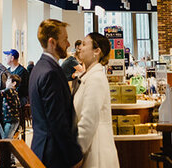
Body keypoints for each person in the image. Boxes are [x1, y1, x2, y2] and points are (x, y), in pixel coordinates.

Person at [29, 19, 83, 168]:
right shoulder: (51, 72)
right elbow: (57, 122)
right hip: (53, 154)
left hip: (42, 148)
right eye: (65, 39)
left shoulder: (39, 68)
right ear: (52, 42)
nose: (68, 44)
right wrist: (74, 156)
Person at [73, 32, 119, 168]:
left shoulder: (96, 79)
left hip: (96, 154)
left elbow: (88, 121)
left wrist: (75, 154)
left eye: (84, 44)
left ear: (96, 51)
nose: (80, 47)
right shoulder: (88, 77)